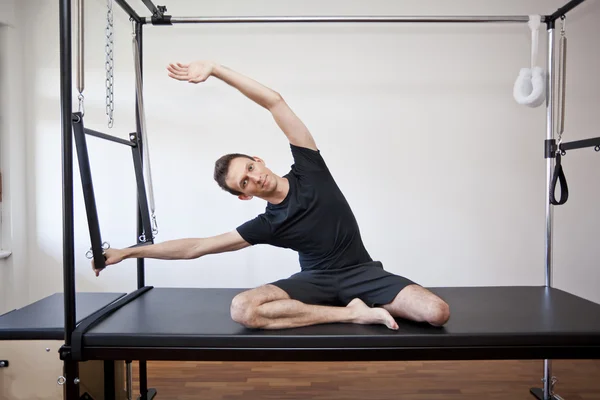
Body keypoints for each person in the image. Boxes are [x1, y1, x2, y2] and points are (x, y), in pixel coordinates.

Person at [93, 60, 450, 331]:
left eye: (249, 168)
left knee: (436, 313)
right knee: (242, 309)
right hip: (314, 283)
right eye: (243, 183)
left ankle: (358, 305)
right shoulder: (268, 224)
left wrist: (216, 70)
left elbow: (274, 102)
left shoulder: (310, 169)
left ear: (258, 160)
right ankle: (351, 314)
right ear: (243, 197)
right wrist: (126, 252)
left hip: (362, 273)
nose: (253, 178)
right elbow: (196, 247)